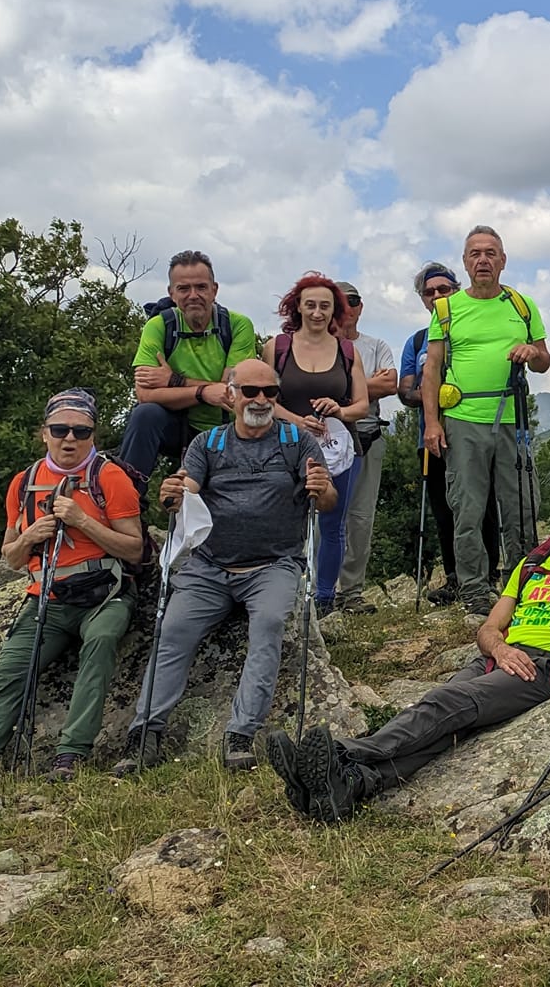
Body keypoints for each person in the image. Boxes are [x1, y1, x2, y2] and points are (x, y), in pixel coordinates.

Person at [263, 482, 550, 822]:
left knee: (446, 701)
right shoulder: (532, 567)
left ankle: (342, 753)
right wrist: (498, 648)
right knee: (447, 727)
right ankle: (346, 787)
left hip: (545, 669)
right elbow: (488, 627)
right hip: (500, 658)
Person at [118, 358, 337, 776]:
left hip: (273, 563)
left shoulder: (297, 442)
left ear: (277, 397)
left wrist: (323, 489)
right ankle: (145, 731)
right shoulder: (208, 444)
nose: (260, 400)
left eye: (269, 392)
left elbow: (324, 503)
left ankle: (241, 733)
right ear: (231, 394)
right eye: (250, 391)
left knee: (270, 625)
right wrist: (174, 494)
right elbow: (188, 488)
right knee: (173, 630)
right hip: (209, 565)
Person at [0, 389, 144, 788]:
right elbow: (11, 557)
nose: (70, 438)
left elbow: (134, 547)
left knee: (102, 644)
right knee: (11, 669)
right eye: (60, 429)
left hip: (104, 593)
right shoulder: (25, 482)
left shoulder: (111, 477)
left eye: (81, 431)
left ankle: (71, 753)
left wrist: (82, 521)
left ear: (93, 434)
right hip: (48, 596)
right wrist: (29, 538)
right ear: (45, 433)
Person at [422, 227, 550, 612]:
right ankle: (475, 591)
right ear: (465, 262)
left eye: (491, 253)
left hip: (514, 418)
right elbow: (432, 370)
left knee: (521, 506)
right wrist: (432, 423)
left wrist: (532, 351)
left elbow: (545, 362)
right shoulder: (447, 309)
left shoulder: (522, 306)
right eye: (475, 254)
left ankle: (523, 582)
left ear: (503, 260)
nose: (483, 260)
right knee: (468, 507)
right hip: (463, 420)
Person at [268, 272, 369, 617]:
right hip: (284, 445)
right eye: (310, 304)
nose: (317, 312)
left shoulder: (347, 351)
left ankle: (324, 600)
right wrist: (296, 420)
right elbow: (263, 399)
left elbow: (362, 405)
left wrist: (339, 409)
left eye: (324, 306)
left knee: (332, 523)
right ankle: (284, 594)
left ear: (334, 310)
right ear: (297, 306)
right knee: (285, 521)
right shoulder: (277, 348)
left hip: (340, 447)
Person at [117, 250, 259, 477]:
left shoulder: (237, 326)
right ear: (171, 293)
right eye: (184, 288)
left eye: (201, 287)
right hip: (179, 424)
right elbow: (144, 394)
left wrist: (174, 380)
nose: (193, 295)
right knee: (145, 415)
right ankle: (128, 497)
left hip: (228, 428)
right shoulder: (159, 326)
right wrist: (202, 392)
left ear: (215, 290)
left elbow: (228, 393)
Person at [399, 263, 479, 604]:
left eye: (444, 289)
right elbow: (404, 391)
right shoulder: (417, 340)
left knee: (479, 507)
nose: (437, 296)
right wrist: (433, 394)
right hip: (430, 438)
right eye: (429, 292)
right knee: (444, 510)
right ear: (422, 299)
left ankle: (484, 575)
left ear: (456, 291)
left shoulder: (471, 331)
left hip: (474, 432)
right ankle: (453, 577)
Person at [335, 281, 399, 607]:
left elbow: (390, 383)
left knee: (360, 518)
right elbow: (378, 383)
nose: (348, 307)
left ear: (361, 307)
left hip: (368, 437)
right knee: (323, 516)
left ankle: (350, 593)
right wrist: (364, 386)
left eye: (354, 301)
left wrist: (339, 386)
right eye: (341, 301)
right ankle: (320, 589)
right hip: (325, 439)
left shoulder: (376, 345)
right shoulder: (316, 347)